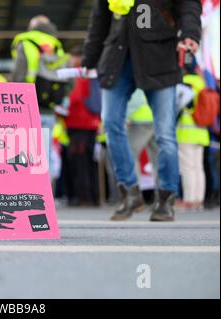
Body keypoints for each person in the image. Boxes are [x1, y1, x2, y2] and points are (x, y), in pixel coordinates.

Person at [82, 0, 202, 222]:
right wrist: (89, 59)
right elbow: (99, 21)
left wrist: (190, 34)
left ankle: (165, 198)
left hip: (159, 58)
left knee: (165, 134)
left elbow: (189, 5)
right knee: (110, 123)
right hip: (117, 60)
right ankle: (129, 192)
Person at [11, 15, 70, 171]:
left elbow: (19, 73)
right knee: (46, 151)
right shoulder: (57, 45)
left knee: (23, 153)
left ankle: (28, 192)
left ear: (33, 26)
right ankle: (48, 191)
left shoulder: (25, 41)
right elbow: (67, 78)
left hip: (26, 105)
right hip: (49, 107)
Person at [65, 47, 101, 206]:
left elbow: (75, 97)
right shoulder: (92, 74)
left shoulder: (77, 75)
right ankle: (93, 197)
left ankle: (83, 197)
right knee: (90, 162)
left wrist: (61, 107)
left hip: (78, 123)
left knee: (79, 163)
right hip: (92, 123)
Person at [176, 65, 210, 211]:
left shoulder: (184, 83)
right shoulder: (202, 83)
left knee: (187, 168)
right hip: (202, 132)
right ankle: (198, 200)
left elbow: (180, 106)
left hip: (186, 132)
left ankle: (189, 200)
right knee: (198, 167)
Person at [127, 89, 158, 182]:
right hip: (155, 119)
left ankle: (133, 191)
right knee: (158, 159)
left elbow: (135, 100)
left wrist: (126, 116)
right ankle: (162, 192)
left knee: (130, 156)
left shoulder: (133, 78)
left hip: (139, 121)